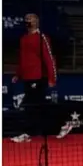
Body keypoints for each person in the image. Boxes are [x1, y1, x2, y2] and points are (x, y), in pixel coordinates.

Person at [10, 13, 57, 143]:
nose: (27, 21)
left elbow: (49, 58)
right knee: (38, 106)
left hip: (38, 77)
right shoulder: (23, 39)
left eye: (30, 19)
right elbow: (22, 59)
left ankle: (27, 132)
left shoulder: (42, 38)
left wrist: (52, 78)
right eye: (26, 19)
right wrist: (18, 74)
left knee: (31, 105)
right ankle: (57, 127)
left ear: (36, 22)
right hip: (27, 78)